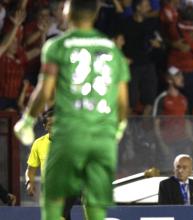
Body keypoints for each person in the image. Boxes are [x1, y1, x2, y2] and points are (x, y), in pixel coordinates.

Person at [13, 1, 130, 220]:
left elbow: (44, 90)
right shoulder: (111, 49)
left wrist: (27, 121)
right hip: (100, 136)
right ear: (95, 14)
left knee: (53, 202)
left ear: (67, 13)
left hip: (69, 135)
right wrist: (119, 128)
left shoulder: (58, 46)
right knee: (94, 205)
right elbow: (122, 100)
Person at [25, 108, 79, 220]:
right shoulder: (38, 144)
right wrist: (29, 182)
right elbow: (31, 170)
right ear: (45, 126)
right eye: (51, 124)